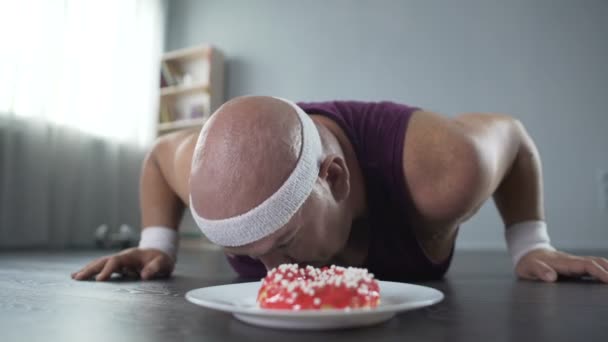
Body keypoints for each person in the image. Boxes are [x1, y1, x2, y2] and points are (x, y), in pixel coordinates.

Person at [72, 96, 608, 284]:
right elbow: (159, 155)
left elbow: (512, 138)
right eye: (241, 254)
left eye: (282, 242)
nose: (271, 275)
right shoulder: (203, 168)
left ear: (334, 180)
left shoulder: (444, 171)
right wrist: (158, 243)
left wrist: (531, 243)